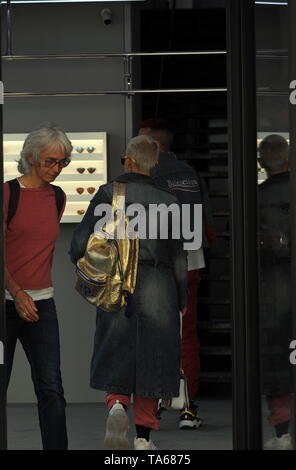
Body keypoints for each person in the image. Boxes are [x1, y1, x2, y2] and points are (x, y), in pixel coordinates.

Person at [69, 135, 187, 450]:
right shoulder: (171, 201)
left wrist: (91, 270)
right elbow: (179, 257)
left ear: (129, 161)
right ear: (155, 164)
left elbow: (79, 244)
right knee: (154, 357)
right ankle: (144, 438)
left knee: (117, 347)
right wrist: (182, 298)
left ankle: (117, 406)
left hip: (118, 282)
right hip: (160, 285)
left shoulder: (109, 194)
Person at [139, 118, 215, 429]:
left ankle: (155, 400)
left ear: (155, 145)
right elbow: (207, 221)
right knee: (187, 334)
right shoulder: (189, 172)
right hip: (190, 260)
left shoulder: (143, 174)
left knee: (153, 333)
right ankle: (188, 406)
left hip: (153, 263)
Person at [4, 124, 72, 450]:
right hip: (5, 303)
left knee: (51, 388)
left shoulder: (57, 197)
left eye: (62, 162)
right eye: (50, 161)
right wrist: (17, 293)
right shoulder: (7, 194)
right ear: (31, 158)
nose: (55, 169)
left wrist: (30, 296)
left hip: (43, 304)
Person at [257, 134, 293, 450]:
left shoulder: (256, 197)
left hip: (271, 285)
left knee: (276, 356)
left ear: (260, 163)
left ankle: (282, 431)